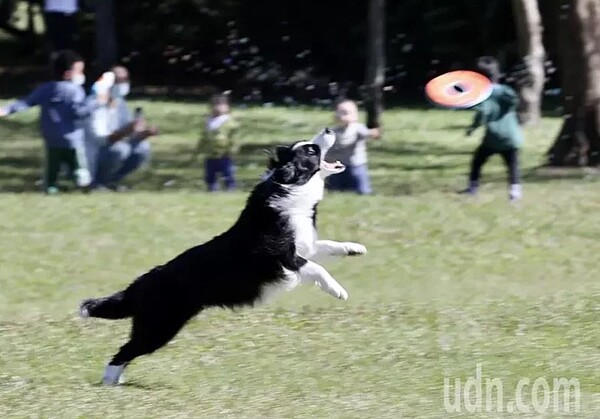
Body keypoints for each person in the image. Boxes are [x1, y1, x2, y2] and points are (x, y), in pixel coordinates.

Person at [0, 50, 104, 194]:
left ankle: (51, 187)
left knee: (52, 168)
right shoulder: (75, 91)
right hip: (72, 139)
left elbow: (26, 102)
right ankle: (83, 184)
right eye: (80, 71)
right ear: (68, 73)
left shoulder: (45, 89)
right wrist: (95, 102)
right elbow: (79, 112)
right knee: (78, 166)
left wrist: (7, 110)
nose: (82, 75)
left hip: (52, 138)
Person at [86, 66, 157, 191]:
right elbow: (101, 140)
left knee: (142, 148)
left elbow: (130, 134)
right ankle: (97, 182)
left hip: (114, 146)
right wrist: (127, 130)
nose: (123, 84)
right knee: (120, 149)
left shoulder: (120, 103)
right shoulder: (94, 104)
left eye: (125, 80)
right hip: (94, 152)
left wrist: (144, 133)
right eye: (118, 80)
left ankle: (112, 180)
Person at [464, 56, 524, 201]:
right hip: (512, 136)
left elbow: (482, 113)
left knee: (477, 162)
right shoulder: (506, 91)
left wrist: (472, 128)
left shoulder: (483, 95)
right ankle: (515, 192)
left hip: (493, 138)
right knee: (512, 166)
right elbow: (514, 102)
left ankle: (473, 187)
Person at [325, 99, 380, 195]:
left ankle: (364, 192)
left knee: (361, 189)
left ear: (355, 116)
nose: (343, 117)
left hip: (355, 165)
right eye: (340, 113)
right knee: (334, 187)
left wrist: (373, 133)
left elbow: (367, 133)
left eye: (347, 113)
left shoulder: (357, 128)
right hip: (336, 165)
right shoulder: (333, 131)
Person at [193, 94, 239, 192]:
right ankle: (212, 189)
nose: (217, 108)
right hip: (210, 154)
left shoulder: (229, 122)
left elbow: (234, 138)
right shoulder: (209, 122)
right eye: (215, 105)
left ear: (227, 107)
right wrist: (198, 150)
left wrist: (232, 150)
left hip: (224, 154)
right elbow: (204, 138)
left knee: (227, 172)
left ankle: (230, 188)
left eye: (221, 105)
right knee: (210, 174)